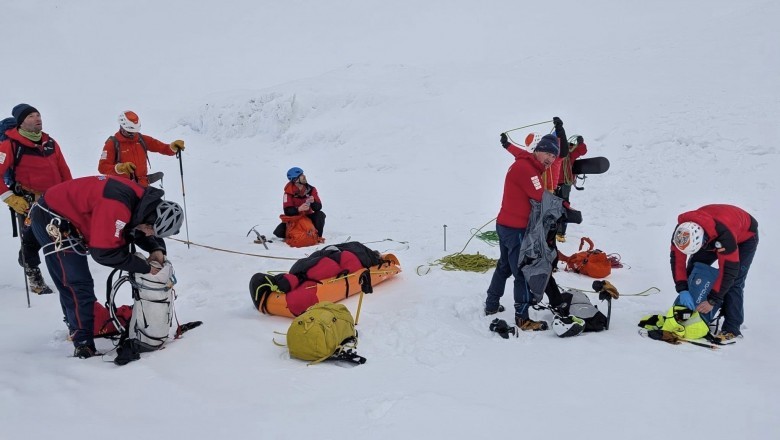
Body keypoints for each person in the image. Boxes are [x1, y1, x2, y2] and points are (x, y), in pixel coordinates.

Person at [28, 175, 184, 358]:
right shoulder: (117, 206)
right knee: (77, 283)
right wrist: (144, 268)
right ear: (151, 219)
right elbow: (104, 253)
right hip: (52, 218)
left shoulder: (143, 202)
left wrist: (156, 248)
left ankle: (79, 324)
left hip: (69, 213)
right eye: (153, 231)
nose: (150, 234)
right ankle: (83, 343)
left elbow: (136, 227)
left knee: (78, 282)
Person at [487, 133, 561, 331]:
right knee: (521, 272)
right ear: (537, 150)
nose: (551, 159)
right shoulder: (527, 170)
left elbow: (520, 153)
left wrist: (508, 145)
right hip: (516, 229)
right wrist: (565, 209)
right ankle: (522, 317)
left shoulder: (525, 162)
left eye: (554, 157)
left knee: (504, 266)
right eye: (548, 154)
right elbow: (540, 197)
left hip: (504, 224)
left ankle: (491, 304)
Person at [0, 104, 72, 294]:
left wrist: (71, 194)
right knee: (32, 240)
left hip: (56, 199)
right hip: (30, 202)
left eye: (38, 114)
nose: (37, 118)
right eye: (31, 116)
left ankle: (66, 273)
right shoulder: (10, 145)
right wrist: (10, 198)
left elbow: (64, 171)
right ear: (21, 122)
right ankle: (33, 274)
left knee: (62, 236)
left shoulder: (50, 143)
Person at [670, 204, 758, 340]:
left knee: (734, 282)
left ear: (703, 241)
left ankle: (732, 327)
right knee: (695, 267)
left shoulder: (724, 236)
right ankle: (687, 312)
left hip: (744, 236)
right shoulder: (682, 233)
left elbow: (729, 272)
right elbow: (677, 261)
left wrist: (713, 300)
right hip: (712, 231)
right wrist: (682, 289)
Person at [97, 110, 185, 187]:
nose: (133, 135)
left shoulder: (141, 139)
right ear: (122, 127)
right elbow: (102, 167)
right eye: (130, 132)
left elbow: (163, 148)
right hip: (122, 187)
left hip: (143, 186)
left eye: (135, 132)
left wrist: (173, 147)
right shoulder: (112, 143)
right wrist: (119, 168)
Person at [272, 167, 326, 239]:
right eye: (301, 175)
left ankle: (317, 237)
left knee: (320, 215)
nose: (304, 176)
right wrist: (298, 209)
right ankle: (297, 233)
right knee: (279, 232)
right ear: (295, 180)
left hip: (308, 217)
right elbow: (287, 211)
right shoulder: (288, 192)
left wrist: (313, 202)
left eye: (303, 174)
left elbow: (318, 207)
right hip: (295, 219)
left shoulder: (311, 189)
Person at [555, 135, 588, 242]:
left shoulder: (570, 152)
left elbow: (582, 151)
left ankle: (560, 233)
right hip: (553, 185)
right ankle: (552, 230)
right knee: (552, 208)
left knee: (564, 207)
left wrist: (581, 143)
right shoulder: (552, 153)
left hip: (565, 184)